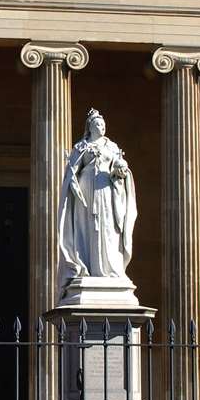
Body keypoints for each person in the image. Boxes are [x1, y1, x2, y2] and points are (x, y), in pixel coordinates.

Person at [57, 108, 137, 287]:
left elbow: (120, 168)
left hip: (106, 191)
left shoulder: (112, 147)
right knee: (88, 230)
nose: (102, 127)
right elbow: (72, 172)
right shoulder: (81, 147)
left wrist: (120, 171)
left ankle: (110, 269)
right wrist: (72, 181)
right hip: (86, 194)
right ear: (90, 127)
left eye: (103, 124)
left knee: (108, 228)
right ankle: (87, 266)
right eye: (98, 124)